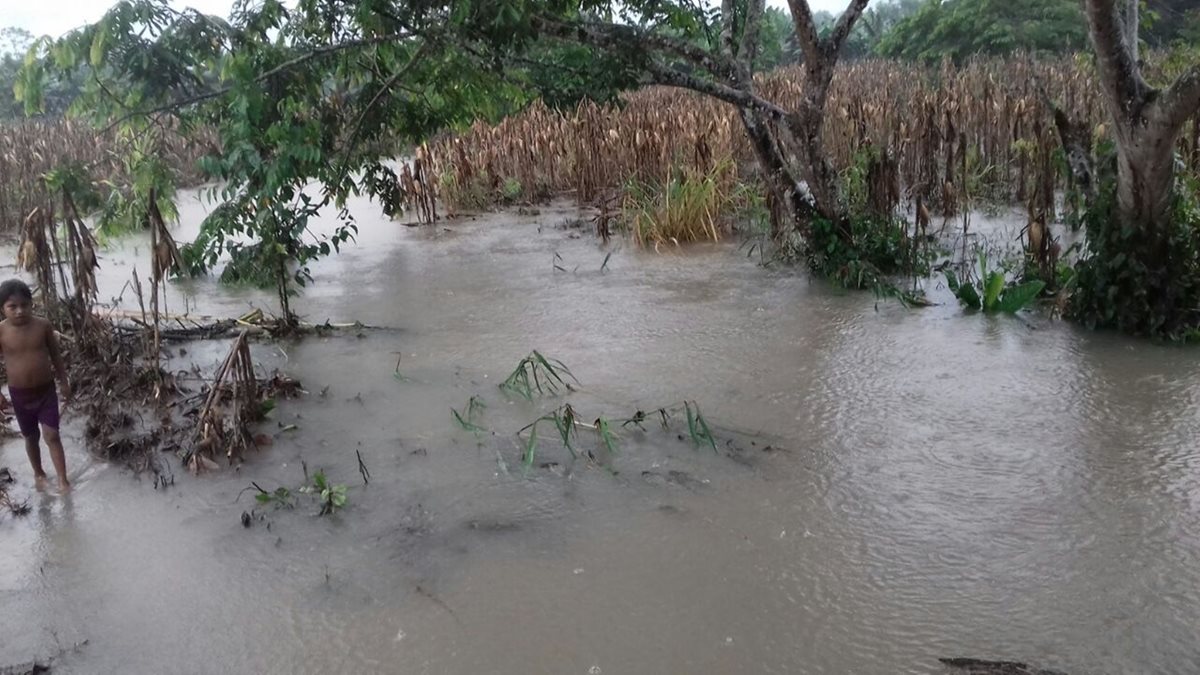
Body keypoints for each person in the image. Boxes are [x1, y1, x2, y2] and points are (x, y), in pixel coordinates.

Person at [0, 279, 72, 492]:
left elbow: (56, 355)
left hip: (46, 391)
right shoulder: (1, 331)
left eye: (25, 305)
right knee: (30, 436)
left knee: (52, 435)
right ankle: (39, 473)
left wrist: (64, 381)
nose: (20, 311)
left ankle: (63, 479)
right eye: (13, 307)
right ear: (3, 309)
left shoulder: (43, 325)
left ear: (32, 304)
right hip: (19, 395)